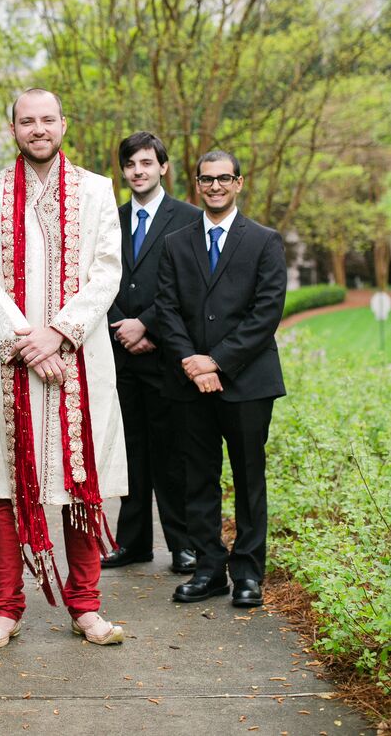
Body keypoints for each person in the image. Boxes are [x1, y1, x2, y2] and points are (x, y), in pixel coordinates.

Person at [0, 88, 127, 649]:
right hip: (8, 362)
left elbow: (107, 272)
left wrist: (58, 332)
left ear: (64, 124)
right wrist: (25, 341)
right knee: (5, 487)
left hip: (79, 356)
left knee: (83, 483)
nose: (38, 128)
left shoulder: (97, 191)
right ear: (13, 128)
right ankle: (5, 611)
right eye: (27, 120)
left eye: (47, 119)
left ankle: (85, 606)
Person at [156, 149, 287, 608]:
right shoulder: (175, 243)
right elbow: (166, 310)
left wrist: (216, 363)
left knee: (249, 479)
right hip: (189, 384)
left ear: (239, 182)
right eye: (206, 179)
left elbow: (266, 312)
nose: (214, 186)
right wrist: (192, 362)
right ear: (196, 183)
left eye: (223, 178)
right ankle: (209, 569)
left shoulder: (265, 241)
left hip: (249, 383)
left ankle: (249, 573)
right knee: (198, 478)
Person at [104, 131, 200, 573]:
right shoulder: (109, 218)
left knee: (172, 453)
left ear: (163, 166)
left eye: (146, 163)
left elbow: (193, 287)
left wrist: (148, 324)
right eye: (130, 165)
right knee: (130, 451)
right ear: (122, 171)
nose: (138, 171)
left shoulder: (189, 218)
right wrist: (124, 324)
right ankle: (133, 542)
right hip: (119, 353)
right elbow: (98, 278)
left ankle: (183, 544)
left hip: (167, 355)